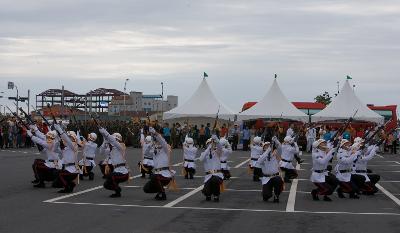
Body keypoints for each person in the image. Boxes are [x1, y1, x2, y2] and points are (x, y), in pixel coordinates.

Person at [143, 127, 175, 200]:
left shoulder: (165, 148)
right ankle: (159, 191)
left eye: (157, 141)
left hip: (165, 174)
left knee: (154, 177)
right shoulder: (154, 150)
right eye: (155, 141)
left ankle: (163, 193)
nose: (157, 142)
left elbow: (162, 140)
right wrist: (151, 144)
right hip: (158, 174)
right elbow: (146, 153)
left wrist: (155, 133)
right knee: (146, 188)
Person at [99, 127, 130, 198]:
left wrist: (105, 132)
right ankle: (117, 192)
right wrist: (105, 140)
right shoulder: (112, 148)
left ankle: (118, 190)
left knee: (110, 176)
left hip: (123, 173)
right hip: (116, 171)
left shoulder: (120, 146)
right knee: (106, 185)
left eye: (114, 139)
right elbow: (100, 152)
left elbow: (113, 141)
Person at [256, 137, 284, 203]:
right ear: (263, 148)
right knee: (266, 196)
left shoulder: (275, 155)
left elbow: (280, 148)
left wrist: (276, 141)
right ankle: (267, 192)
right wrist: (267, 151)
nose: (268, 147)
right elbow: (260, 161)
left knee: (278, 180)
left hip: (275, 176)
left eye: (269, 146)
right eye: (266, 146)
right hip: (266, 178)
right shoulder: (261, 156)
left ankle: (276, 195)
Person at [54, 124, 79, 193]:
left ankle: (67, 187)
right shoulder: (66, 148)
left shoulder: (74, 146)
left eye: (70, 137)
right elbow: (55, 150)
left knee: (59, 174)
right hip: (68, 169)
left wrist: (59, 129)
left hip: (72, 170)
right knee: (56, 176)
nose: (68, 138)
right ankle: (71, 184)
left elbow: (67, 140)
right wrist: (58, 142)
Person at [199, 135, 224, 202]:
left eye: (212, 143)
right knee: (207, 193)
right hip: (208, 175)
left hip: (217, 175)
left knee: (214, 180)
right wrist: (208, 148)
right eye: (210, 143)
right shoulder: (204, 153)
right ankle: (208, 194)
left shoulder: (217, 152)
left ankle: (216, 195)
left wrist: (217, 140)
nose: (212, 144)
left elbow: (220, 148)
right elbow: (201, 159)